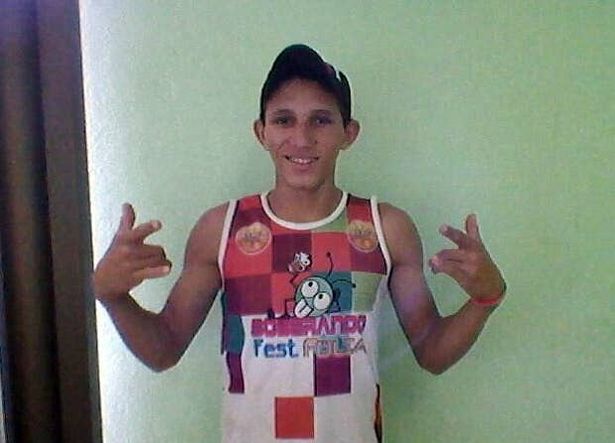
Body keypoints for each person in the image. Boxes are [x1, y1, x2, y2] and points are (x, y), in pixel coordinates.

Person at [93, 44, 506, 443]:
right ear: (261, 132)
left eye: (321, 120)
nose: (302, 138)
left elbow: (432, 352)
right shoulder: (221, 229)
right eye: (284, 120)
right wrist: (112, 296)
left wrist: (485, 298)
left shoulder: (386, 228)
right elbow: (163, 349)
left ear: (349, 133)